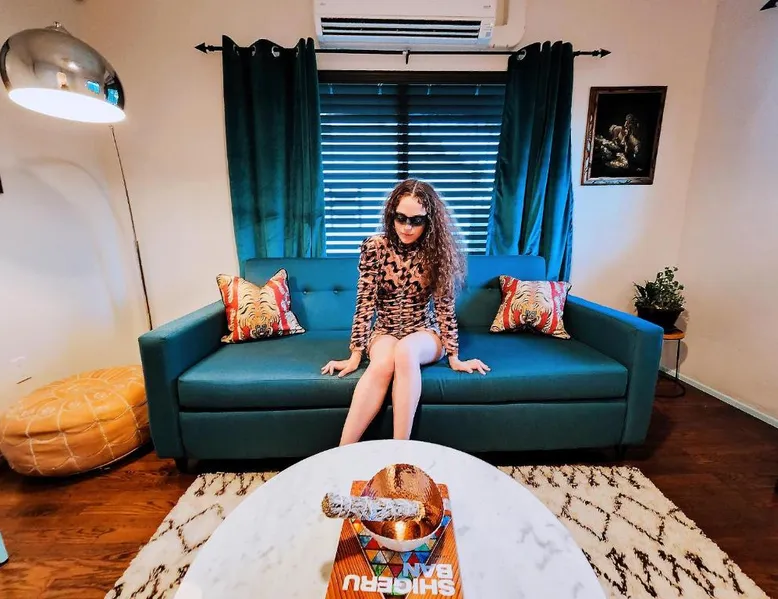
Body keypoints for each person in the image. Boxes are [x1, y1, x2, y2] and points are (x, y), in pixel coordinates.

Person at [321, 179, 490, 445]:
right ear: (391, 215)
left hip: (425, 332)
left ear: (429, 221)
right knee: (382, 363)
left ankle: (401, 452)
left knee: (405, 351)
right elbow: (365, 302)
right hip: (385, 331)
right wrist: (355, 354)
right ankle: (343, 451)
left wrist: (455, 357)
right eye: (401, 218)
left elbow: (444, 306)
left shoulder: (437, 251)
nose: (407, 228)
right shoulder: (375, 248)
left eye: (416, 221)